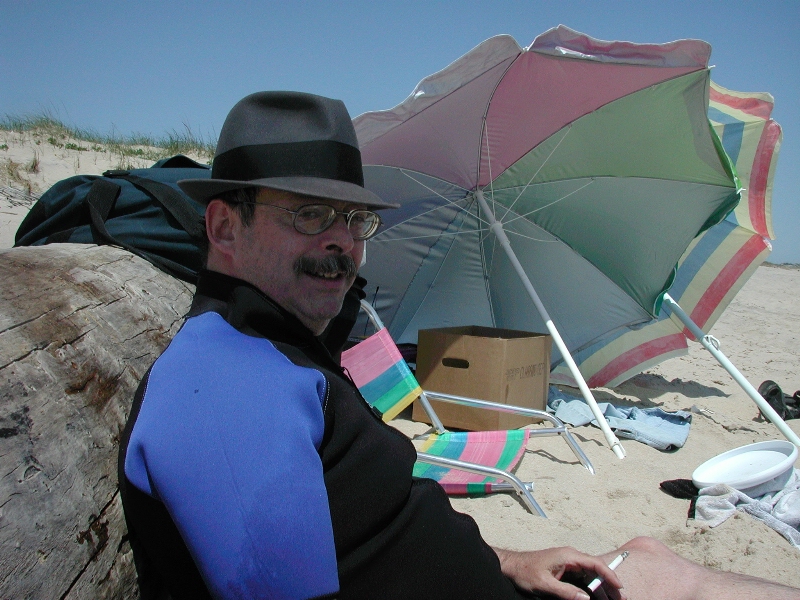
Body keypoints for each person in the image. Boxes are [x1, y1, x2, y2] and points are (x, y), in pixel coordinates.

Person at [118, 91, 799, 600]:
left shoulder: (281, 351)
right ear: (224, 227)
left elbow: (374, 529)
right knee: (673, 581)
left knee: (650, 555)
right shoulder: (228, 386)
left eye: (355, 219)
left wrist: (508, 561)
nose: (342, 242)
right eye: (310, 213)